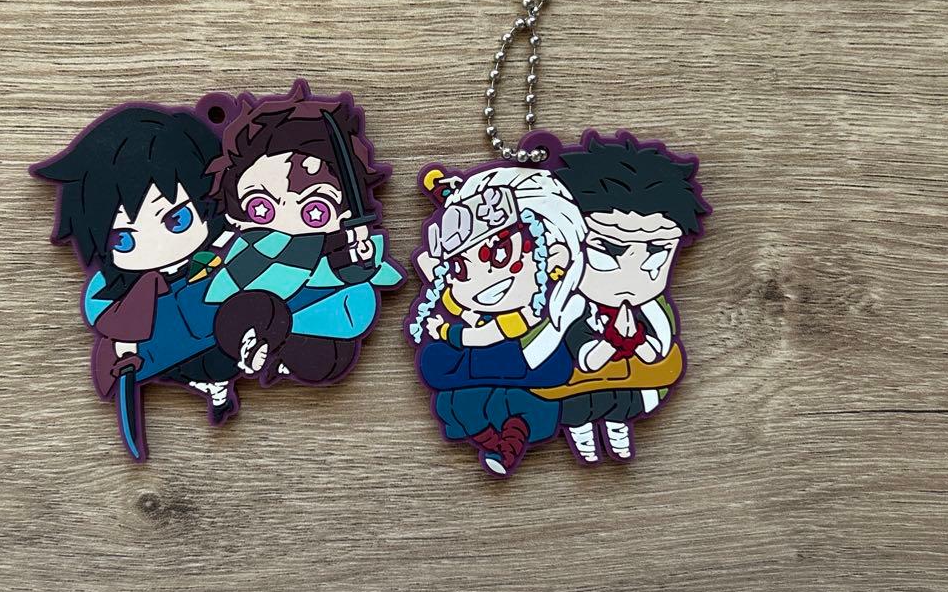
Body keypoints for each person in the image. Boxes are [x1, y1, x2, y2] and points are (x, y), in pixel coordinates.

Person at [32, 105, 242, 452]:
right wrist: (124, 347)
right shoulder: (117, 291)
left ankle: (219, 383)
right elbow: (106, 315)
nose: (158, 245)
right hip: (173, 349)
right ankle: (214, 386)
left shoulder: (225, 248)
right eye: (124, 239)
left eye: (176, 219)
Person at [203, 81, 404, 384]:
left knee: (327, 358)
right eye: (262, 207)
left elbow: (367, 273)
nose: (286, 218)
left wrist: (361, 258)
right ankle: (259, 345)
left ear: (346, 212)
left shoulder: (341, 243)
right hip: (256, 315)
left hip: (321, 326)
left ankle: (278, 356)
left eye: (314, 209)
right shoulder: (249, 250)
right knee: (246, 311)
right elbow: (222, 290)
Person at [540, 132, 709, 464]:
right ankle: (583, 438)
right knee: (579, 412)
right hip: (577, 391)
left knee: (621, 409)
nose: (631, 276)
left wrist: (637, 340)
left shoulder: (652, 312)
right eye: (607, 251)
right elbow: (585, 359)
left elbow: (656, 353)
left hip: (628, 389)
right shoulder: (571, 308)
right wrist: (614, 341)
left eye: (656, 253)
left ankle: (617, 433)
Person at [408, 165, 586, 476]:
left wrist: (448, 331)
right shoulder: (486, 308)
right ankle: (495, 444)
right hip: (496, 362)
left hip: (532, 363)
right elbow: (470, 317)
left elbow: (484, 336)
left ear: (553, 255)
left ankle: (508, 446)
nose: (483, 279)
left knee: (448, 367)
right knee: (438, 370)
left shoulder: (531, 313)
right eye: (462, 269)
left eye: (501, 254)